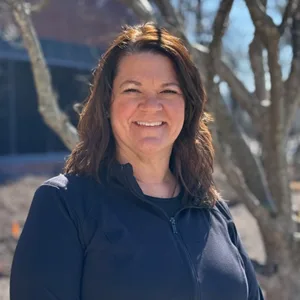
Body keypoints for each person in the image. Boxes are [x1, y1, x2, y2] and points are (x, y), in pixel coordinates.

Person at [10, 23, 264, 300]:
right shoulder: (65, 204)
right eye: (132, 90)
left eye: (168, 91)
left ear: (188, 107)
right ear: (107, 104)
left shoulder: (213, 209)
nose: (151, 105)